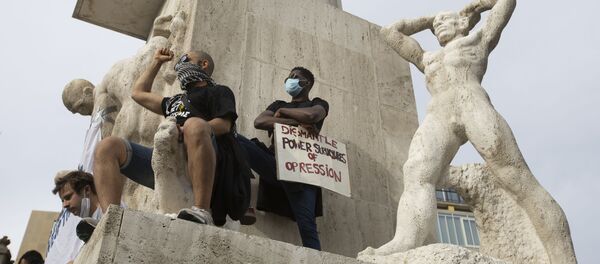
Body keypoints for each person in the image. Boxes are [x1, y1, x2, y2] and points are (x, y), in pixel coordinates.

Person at [359, 0, 575, 262]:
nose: (437, 26)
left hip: (472, 103)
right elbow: (390, 32)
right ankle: (405, 240)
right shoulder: (427, 58)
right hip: (439, 114)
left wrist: (473, 9)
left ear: (462, 24)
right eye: (435, 24)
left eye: (444, 20)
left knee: (517, 178)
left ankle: (561, 256)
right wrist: (430, 19)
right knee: (416, 172)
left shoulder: (478, 40)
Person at [92, 47, 248, 230]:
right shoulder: (175, 101)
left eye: (185, 60)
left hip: (203, 157)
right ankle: (109, 219)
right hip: (168, 157)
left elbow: (224, 125)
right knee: (107, 146)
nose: (179, 65)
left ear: (203, 64)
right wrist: (157, 62)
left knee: (194, 125)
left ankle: (201, 210)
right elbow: (138, 93)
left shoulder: (219, 92)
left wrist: (188, 129)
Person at [237, 67, 328, 250]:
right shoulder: (278, 104)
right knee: (234, 140)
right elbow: (260, 122)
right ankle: (242, 203)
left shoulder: (318, 103)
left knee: (307, 226)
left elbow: (312, 115)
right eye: (289, 76)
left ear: (307, 83)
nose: (290, 80)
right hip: (275, 164)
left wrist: (282, 113)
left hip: (303, 171)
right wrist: (297, 121)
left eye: (296, 77)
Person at [52, 171, 102, 243]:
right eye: (62, 201)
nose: (65, 205)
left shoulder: (110, 207)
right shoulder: (87, 228)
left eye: (68, 197)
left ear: (87, 190)